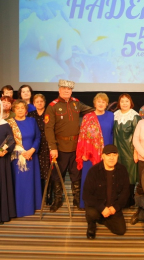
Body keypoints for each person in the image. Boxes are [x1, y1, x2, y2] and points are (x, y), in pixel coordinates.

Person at [44, 79, 94, 211]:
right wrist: (52, 147)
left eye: (69, 89)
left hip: (76, 147)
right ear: (59, 90)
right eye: (64, 88)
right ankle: (57, 200)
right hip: (60, 147)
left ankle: (77, 200)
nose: (67, 91)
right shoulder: (52, 106)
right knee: (57, 175)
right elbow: (48, 129)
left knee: (76, 174)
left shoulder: (76, 103)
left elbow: (91, 110)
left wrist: (104, 109)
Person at [82, 144, 130, 239]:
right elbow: (86, 195)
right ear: (103, 156)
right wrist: (102, 208)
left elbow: (125, 193)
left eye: (114, 155)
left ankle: (103, 219)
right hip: (97, 206)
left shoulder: (122, 170)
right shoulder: (93, 171)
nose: (111, 158)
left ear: (117, 156)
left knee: (120, 230)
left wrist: (115, 207)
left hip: (112, 206)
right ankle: (92, 224)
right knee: (92, 213)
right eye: (108, 155)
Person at [76, 93, 115, 209]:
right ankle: (87, 203)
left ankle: (104, 204)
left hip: (106, 153)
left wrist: (111, 153)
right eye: (99, 101)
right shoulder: (87, 117)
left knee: (105, 179)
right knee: (89, 179)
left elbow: (112, 134)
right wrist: (83, 153)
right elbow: (82, 136)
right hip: (89, 155)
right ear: (94, 103)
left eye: (103, 102)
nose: (101, 104)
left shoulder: (111, 116)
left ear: (106, 104)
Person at [7, 99, 41, 217]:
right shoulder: (9, 123)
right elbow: (7, 141)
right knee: (19, 183)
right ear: (14, 110)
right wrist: (21, 152)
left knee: (29, 183)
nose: (20, 110)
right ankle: (19, 208)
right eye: (18, 108)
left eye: (22, 108)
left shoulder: (32, 121)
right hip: (17, 158)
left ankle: (30, 206)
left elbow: (38, 137)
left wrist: (32, 150)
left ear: (26, 110)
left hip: (31, 157)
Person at [113, 93, 142, 206]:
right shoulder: (115, 115)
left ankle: (129, 198)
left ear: (131, 103)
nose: (124, 103)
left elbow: (137, 136)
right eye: (122, 101)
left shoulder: (135, 116)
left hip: (129, 151)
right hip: (117, 149)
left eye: (127, 101)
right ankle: (119, 197)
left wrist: (135, 152)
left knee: (130, 175)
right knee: (118, 173)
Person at [28, 94, 50, 200]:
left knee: (49, 171)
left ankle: (49, 196)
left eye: (41, 101)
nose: (39, 103)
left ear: (44, 102)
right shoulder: (31, 115)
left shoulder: (49, 114)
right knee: (38, 171)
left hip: (48, 144)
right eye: (37, 102)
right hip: (36, 145)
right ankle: (40, 195)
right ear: (34, 103)